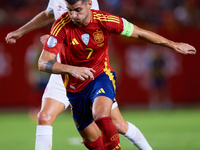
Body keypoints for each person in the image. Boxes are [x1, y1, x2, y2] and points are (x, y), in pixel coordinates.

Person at [38, 0, 196, 149]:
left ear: (90, 4)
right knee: (92, 140)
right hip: (74, 87)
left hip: (99, 77)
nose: (74, 16)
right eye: (70, 10)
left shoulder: (106, 20)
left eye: (78, 10)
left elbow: (140, 33)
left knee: (101, 115)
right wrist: (72, 69)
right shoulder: (61, 25)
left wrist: (173, 44)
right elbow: (43, 63)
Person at [5, 0, 153, 150]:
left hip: (89, 72)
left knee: (119, 125)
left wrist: (58, 39)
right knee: (44, 117)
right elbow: (48, 14)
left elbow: (89, 30)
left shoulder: (85, 2)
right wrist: (21, 31)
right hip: (63, 70)